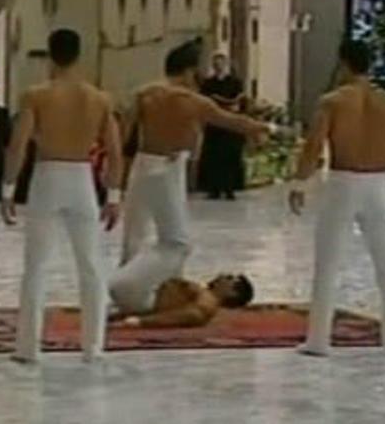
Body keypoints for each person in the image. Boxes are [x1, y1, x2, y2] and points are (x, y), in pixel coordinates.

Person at [109, 40, 271, 316]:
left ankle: (136, 294)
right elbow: (231, 121)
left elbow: (125, 133)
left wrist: (117, 174)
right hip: (169, 167)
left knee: (134, 234)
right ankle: (140, 287)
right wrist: (263, 128)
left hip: (142, 163)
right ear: (189, 71)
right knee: (176, 241)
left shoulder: (145, 94)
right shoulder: (192, 101)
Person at [288, 38, 385, 358]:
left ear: (343, 63)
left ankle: (319, 340)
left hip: (343, 183)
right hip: (377, 186)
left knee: (328, 263)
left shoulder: (333, 102)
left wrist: (300, 183)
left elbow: (314, 145)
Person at [0, 28, 123, 364]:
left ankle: (28, 348)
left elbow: (18, 146)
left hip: (48, 177)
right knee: (91, 265)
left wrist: (8, 189)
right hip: (82, 178)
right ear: (78, 55)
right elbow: (114, 152)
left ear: (50, 56)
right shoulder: (99, 99)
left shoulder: (36, 95)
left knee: (36, 266)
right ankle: (93, 347)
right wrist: (113, 195)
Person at [112, 273, 254, 328]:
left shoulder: (208, 301)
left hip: (144, 298)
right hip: (144, 295)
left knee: (176, 247)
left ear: (232, 293)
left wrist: (139, 321)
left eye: (229, 278)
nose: (222, 275)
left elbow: (191, 315)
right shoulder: (206, 297)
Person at [198, 52, 246, 200]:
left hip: (230, 125)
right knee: (214, 157)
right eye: (215, 64)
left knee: (230, 156)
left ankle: (230, 188)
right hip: (214, 127)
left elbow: (241, 101)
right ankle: (214, 189)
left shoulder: (235, 82)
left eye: (221, 63)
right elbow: (204, 101)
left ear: (226, 64)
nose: (218, 66)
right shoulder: (208, 84)